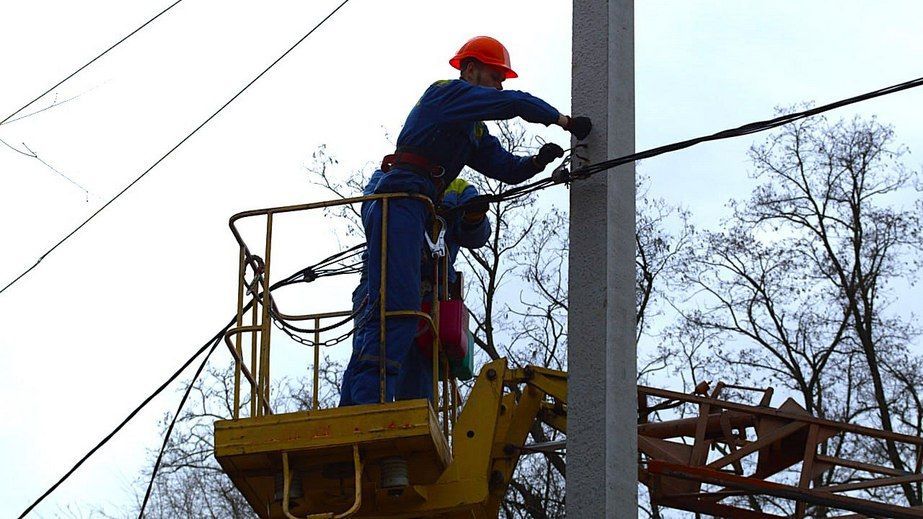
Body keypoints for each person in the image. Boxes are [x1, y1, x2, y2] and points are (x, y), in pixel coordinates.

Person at [339, 35, 592, 406]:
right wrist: (564, 121)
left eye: (501, 80)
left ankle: (375, 409)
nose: (498, 86)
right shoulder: (446, 94)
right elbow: (514, 102)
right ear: (470, 70)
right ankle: (365, 408)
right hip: (401, 199)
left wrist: (537, 162)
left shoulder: (473, 130)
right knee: (397, 308)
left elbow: (505, 168)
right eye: (494, 77)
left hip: (419, 207)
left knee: (412, 317)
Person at [339, 176, 491, 407]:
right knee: (370, 348)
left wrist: (474, 218)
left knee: (418, 361)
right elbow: (372, 212)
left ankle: (412, 418)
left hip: (428, 287)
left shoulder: (458, 187)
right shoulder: (388, 176)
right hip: (380, 281)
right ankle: (358, 414)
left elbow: (475, 236)